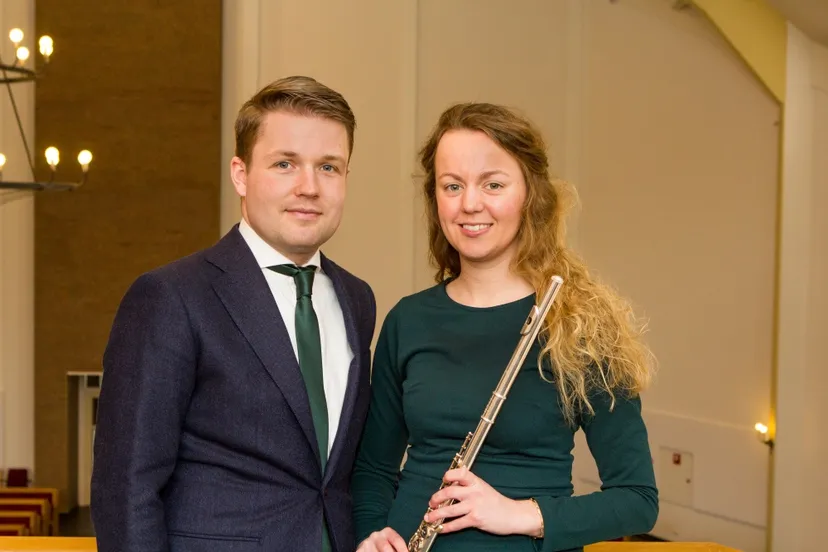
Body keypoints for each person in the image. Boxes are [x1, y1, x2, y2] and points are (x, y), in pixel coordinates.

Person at [352, 102, 658, 552]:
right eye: (452, 186)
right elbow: (373, 471)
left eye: (493, 184)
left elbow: (637, 500)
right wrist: (371, 535)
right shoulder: (408, 320)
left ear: (531, 195)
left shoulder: (579, 324)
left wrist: (518, 513)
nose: (469, 204)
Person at [91, 76, 377, 552]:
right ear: (240, 174)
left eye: (328, 167)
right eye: (284, 164)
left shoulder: (356, 298)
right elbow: (124, 487)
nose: (309, 187)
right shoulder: (171, 296)